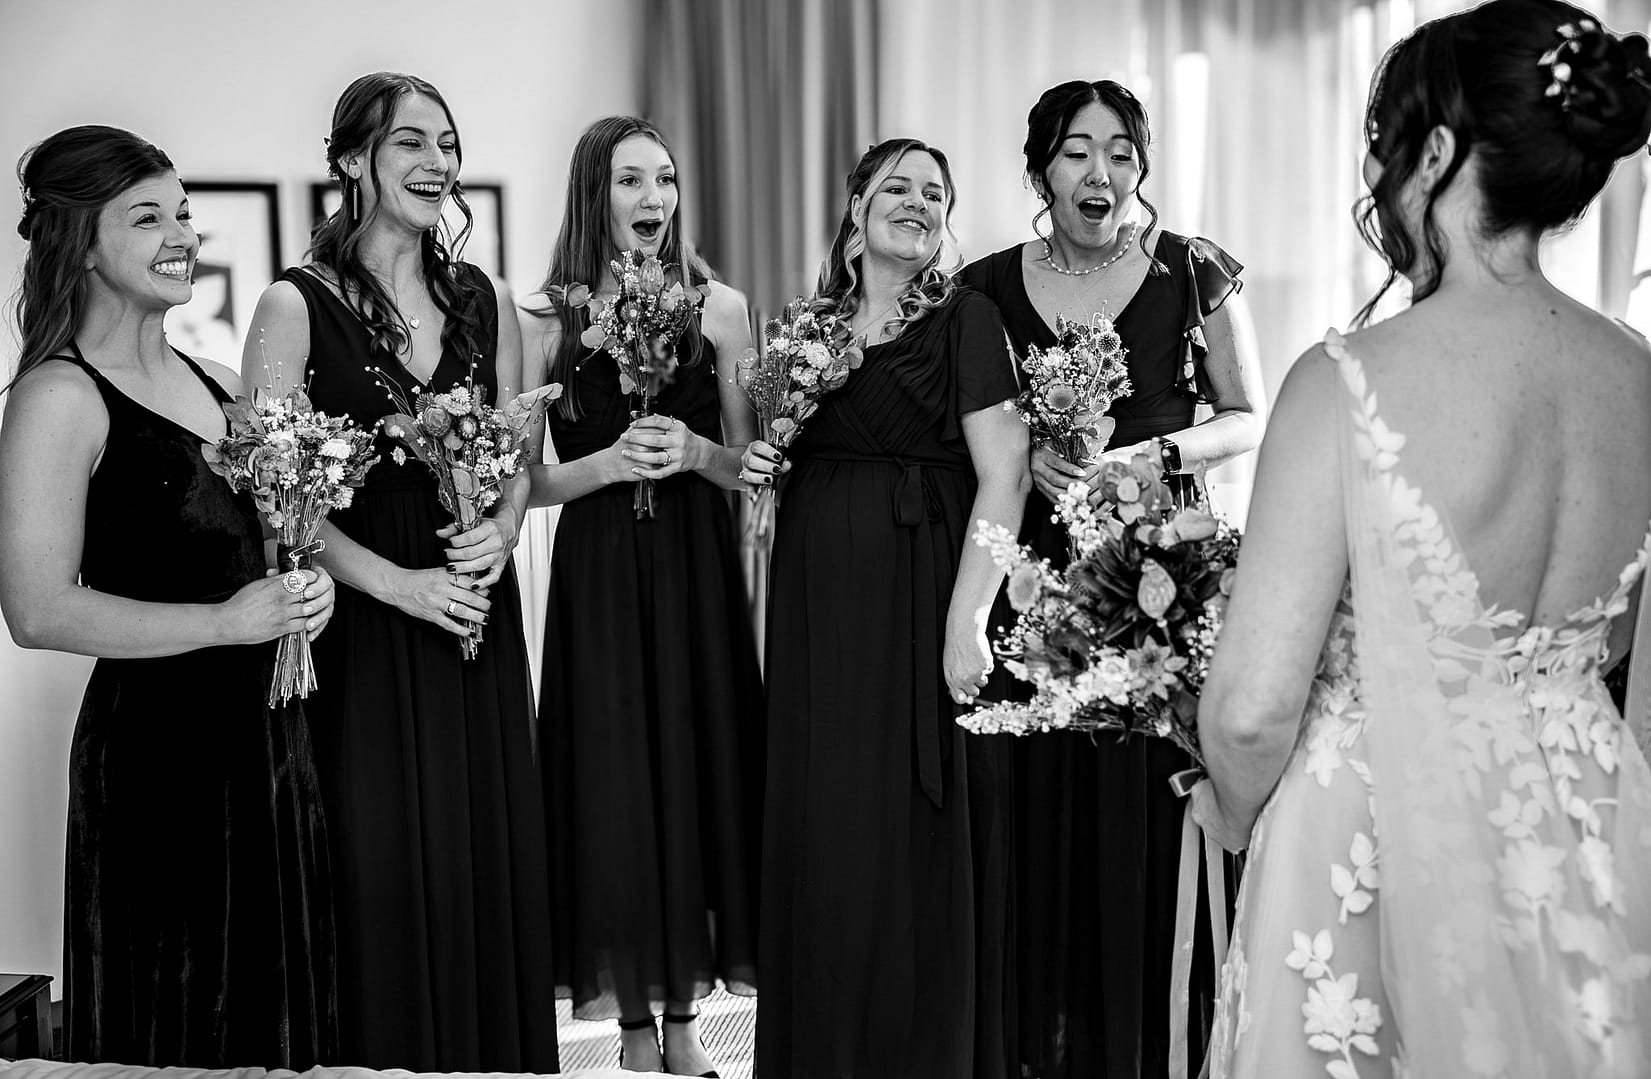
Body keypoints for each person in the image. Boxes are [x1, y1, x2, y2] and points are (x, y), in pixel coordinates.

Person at [1195, 3, 1651, 1075]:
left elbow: (1254, 706)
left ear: (1436, 152)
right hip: (1581, 830)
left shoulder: (1345, 382)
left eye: (1388, 146)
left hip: (1371, 838)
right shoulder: (1638, 379)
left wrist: (1225, 804)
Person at [0, 125, 337, 1067]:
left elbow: (263, 550)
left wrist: (304, 594)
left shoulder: (220, 384)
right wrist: (225, 622)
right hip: (157, 765)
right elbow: (35, 609)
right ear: (80, 242)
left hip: (267, 754)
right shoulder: (56, 398)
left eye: (183, 213)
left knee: (275, 1018)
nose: (180, 233)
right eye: (147, 217)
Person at [246, 72, 559, 1073]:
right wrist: (398, 583)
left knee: (486, 859)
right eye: (409, 144)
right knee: (381, 871)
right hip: (367, 624)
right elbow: (273, 497)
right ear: (350, 161)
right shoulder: (293, 306)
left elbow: (516, 451)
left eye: (449, 144)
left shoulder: (484, 298)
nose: (438, 164)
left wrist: (503, 531)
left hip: (474, 611)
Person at [958, 78, 1265, 1078]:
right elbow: (978, 432)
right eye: (1078, 151)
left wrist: (1155, 456)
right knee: (1039, 796)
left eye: (1122, 151)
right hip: (1037, 560)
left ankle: (1157, 1042)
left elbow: (1248, 414)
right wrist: (1028, 455)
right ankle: (1037, 1047)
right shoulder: (989, 284)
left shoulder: (1194, 268)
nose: (1102, 172)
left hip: (1160, 568)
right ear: (1039, 166)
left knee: (1148, 799)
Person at [744, 137, 1031, 1079]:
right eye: (897, 187)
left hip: (920, 595)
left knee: (906, 826)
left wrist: (966, 618)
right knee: (825, 821)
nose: (918, 202)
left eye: (935, 193)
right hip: (818, 609)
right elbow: (779, 449)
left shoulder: (966, 319)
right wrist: (758, 463)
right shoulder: (806, 324)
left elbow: (1006, 474)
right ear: (857, 206)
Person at [519, 114, 763, 1078]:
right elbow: (520, 482)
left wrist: (700, 452)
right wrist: (606, 464)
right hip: (599, 579)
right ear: (594, 194)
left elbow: (756, 466)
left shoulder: (724, 308)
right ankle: (625, 1029)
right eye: (629, 181)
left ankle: (687, 1025)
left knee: (699, 770)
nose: (652, 199)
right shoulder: (539, 318)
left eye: (663, 179)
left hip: (699, 575)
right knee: (613, 779)